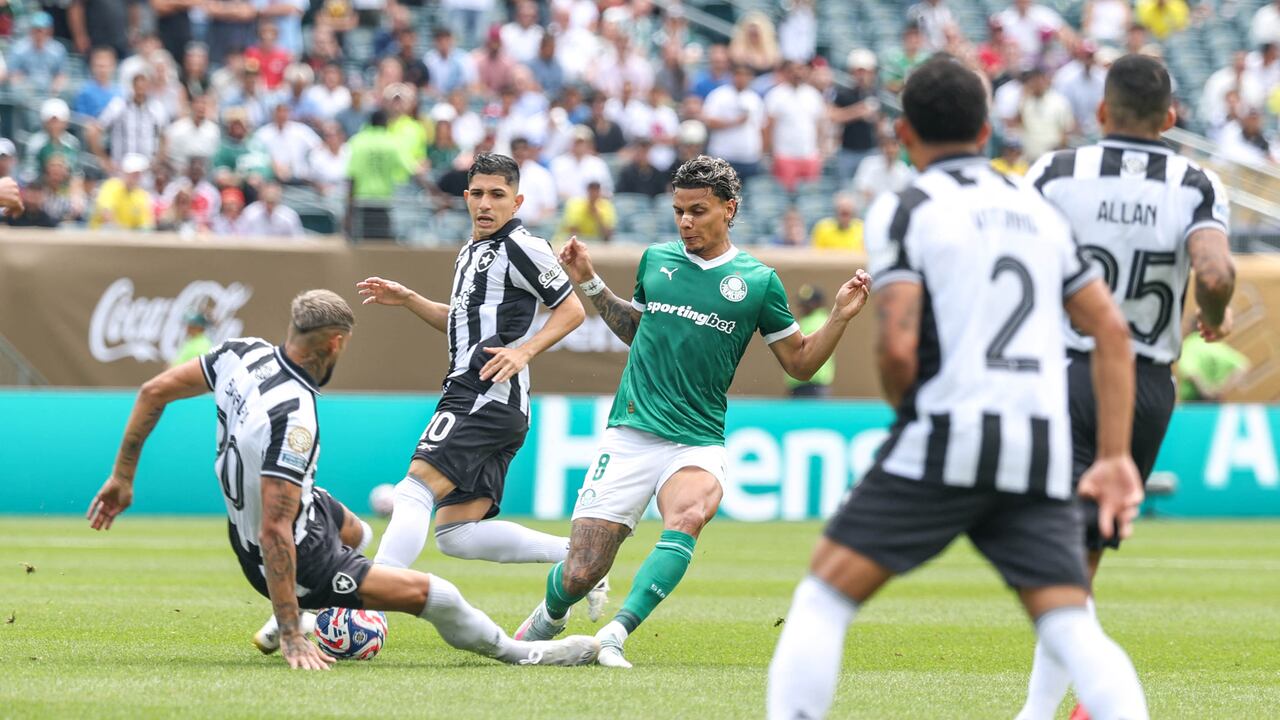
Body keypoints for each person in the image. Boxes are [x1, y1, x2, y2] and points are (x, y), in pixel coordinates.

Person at [767, 56, 1148, 720]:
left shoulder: (907, 206)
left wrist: (909, 412)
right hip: (1039, 442)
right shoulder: (1036, 206)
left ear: (905, 134)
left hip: (951, 429)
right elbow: (1112, 333)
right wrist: (1115, 458)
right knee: (1069, 623)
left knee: (824, 598)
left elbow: (895, 344)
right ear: (986, 132)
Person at [87, 290, 600, 671]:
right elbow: (275, 532)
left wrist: (121, 477)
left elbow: (153, 391)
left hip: (266, 521)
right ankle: (523, 653)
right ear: (335, 343)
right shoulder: (296, 416)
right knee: (438, 594)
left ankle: (315, 613)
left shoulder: (239, 353)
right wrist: (290, 631)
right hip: (297, 555)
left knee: (359, 531)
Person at [513, 155, 872, 669]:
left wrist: (838, 316)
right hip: (633, 430)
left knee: (689, 514)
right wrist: (590, 283)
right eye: (679, 210)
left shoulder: (757, 281)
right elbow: (636, 330)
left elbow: (800, 363)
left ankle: (614, 634)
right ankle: (548, 619)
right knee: (580, 572)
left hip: (697, 439)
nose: (685, 222)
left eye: (698, 211)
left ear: (729, 209)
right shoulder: (656, 260)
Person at [1017, 54, 1235, 720]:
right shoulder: (1196, 182)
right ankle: (1074, 703)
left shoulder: (1054, 172)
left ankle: (1087, 703)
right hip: (1144, 387)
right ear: (1171, 118)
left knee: (1049, 552)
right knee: (1076, 555)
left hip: (1063, 367)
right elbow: (1217, 272)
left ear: (1101, 112)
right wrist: (1214, 318)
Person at [356, 155, 608, 604]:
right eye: (478, 194)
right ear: (465, 197)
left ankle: (371, 596)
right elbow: (463, 322)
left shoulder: (522, 246)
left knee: (414, 489)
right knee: (457, 534)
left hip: (483, 392)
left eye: (498, 195)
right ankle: (577, 558)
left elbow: (571, 310)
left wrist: (524, 350)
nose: (485, 204)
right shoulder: (472, 250)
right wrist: (410, 298)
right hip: (494, 401)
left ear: (517, 202)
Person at [702, 63, 766, 182]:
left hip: (749, 157)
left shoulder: (754, 98)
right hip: (723, 156)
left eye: (746, 75)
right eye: (738, 74)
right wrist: (734, 122)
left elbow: (761, 127)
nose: (742, 78)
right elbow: (709, 121)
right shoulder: (719, 95)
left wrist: (761, 152)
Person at [785, 285, 835, 397]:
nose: (803, 307)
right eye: (802, 303)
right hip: (801, 384)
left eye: (808, 303)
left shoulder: (820, 320)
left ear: (818, 304)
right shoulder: (806, 320)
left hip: (813, 385)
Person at [91, 154, 155, 230]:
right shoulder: (111, 186)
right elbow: (106, 214)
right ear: (125, 173)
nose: (136, 176)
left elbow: (146, 224)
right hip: (102, 238)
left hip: (126, 239)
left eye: (138, 173)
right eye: (133, 173)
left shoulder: (142, 195)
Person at [240, 182, 305, 237]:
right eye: (267, 199)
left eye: (273, 200)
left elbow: (298, 240)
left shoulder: (289, 215)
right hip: (254, 250)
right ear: (261, 196)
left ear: (279, 197)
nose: (270, 204)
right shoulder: (250, 212)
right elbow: (241, 237)